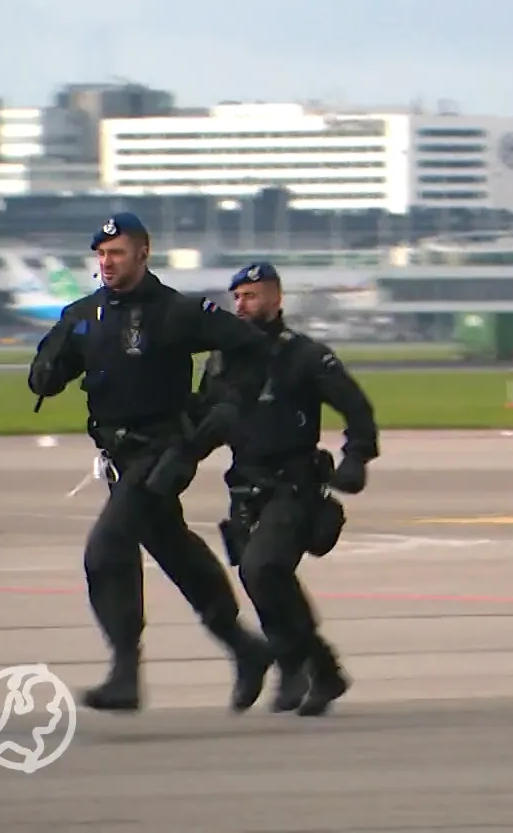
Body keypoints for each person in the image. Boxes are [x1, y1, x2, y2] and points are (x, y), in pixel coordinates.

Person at [26, 212, 277, 713]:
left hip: (162, 452)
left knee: (107, 549)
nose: (107, 262)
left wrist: (222, 405)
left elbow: (252, 347)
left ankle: (125, 673)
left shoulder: (176, 311)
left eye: (117, 253)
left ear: (143, 254)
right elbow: (44, 378)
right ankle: (245, 646)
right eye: (101, 254)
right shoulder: (85, 315)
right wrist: (50, 365)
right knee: (173, 548)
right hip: (118, 457)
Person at [201, 261, 378, 717]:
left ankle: (314, 666)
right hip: (245, 488)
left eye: (252, 295)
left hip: (293, 485)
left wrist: (356, 456)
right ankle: (304, 667)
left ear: (276, 298)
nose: (242, 304)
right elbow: (201, 420)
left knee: (263, 569)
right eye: (237, 297)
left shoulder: (304, 356)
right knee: (262, 582)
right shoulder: (221, 361)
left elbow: (357, 408)